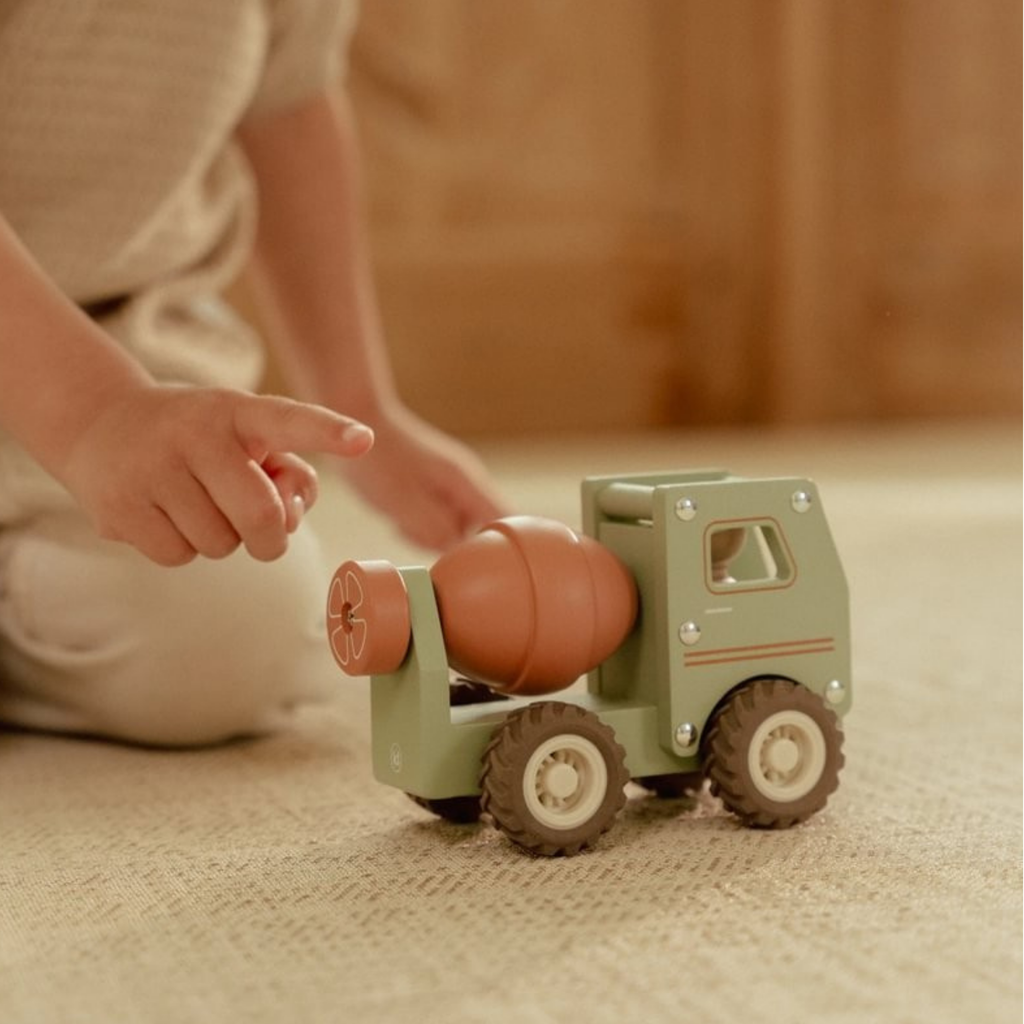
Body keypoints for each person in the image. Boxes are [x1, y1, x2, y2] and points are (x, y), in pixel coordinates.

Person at [0, 1, 505, 746]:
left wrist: (362, 403)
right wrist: (92, 415)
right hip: (92, 396)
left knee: (236, 629)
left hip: (133, 361)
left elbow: (289, 97)